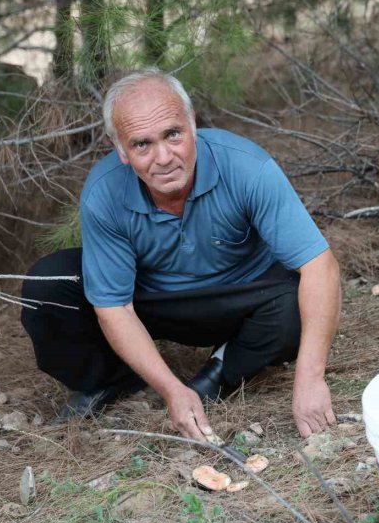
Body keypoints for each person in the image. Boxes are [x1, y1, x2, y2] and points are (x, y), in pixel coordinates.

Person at [20, 67, 341, 440]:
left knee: (294, 301)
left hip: (239, 298)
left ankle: (217, 373)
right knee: (51, 283)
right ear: (121, 150)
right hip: (153, 300)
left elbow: (320, 265)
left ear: (192, 125)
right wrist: (170, 389)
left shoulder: (247, 167)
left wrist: (310, 379)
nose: (164, 157)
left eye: (173, 134)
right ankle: (109, 380)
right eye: (142, 144)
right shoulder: (104, 193)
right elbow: (115, 306)